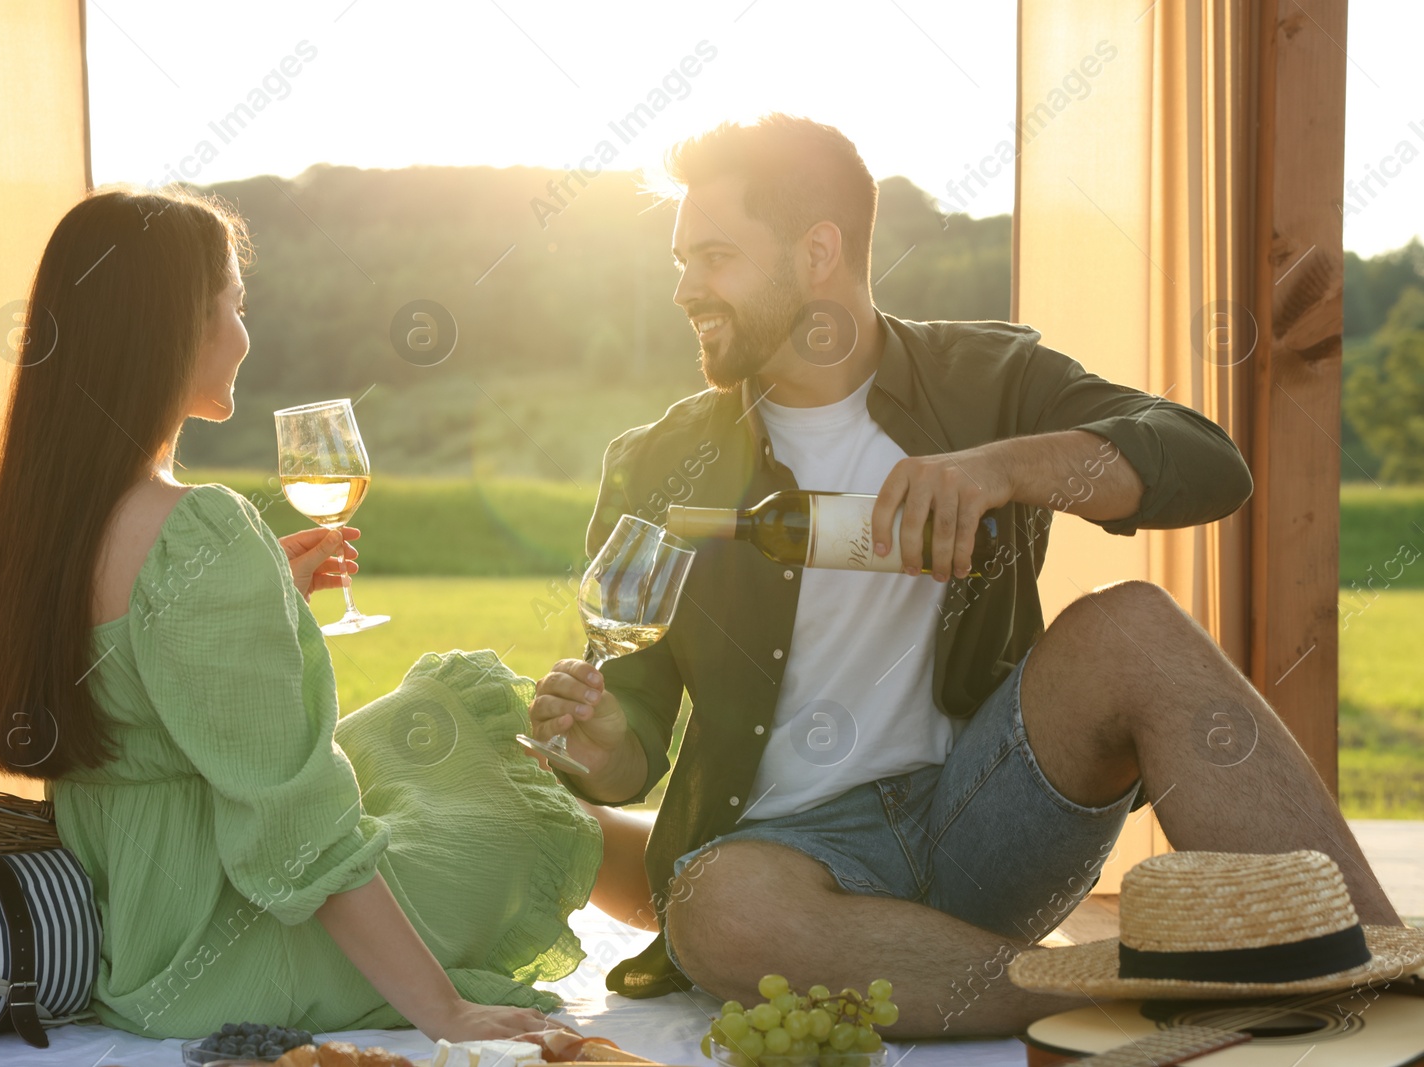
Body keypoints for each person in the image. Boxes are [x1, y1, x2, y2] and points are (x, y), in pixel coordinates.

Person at [524, 114, 1407, 1037]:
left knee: (1130, 624)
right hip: (788, 854)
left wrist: (1007, 468)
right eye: (681, 261)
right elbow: (630, 748)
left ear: (818, 251)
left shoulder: (986, 377)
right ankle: (1135, 997)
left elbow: (1208, 463)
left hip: (986, 812)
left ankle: (1381, 967)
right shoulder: (658, 464)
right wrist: (599, 743)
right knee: (714, 910)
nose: (686, 288)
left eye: (714, 257)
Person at [0, 185, 602, 1041]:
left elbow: (148, 689)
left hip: (141, 936)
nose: (244, 333)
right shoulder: (194, 529)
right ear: (168, 326)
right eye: (233, 302)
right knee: (494, 782)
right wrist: (445, 1010)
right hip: (233, 945)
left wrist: (269, 605)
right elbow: (295, 821)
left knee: (418, 722)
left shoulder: (50, 517)